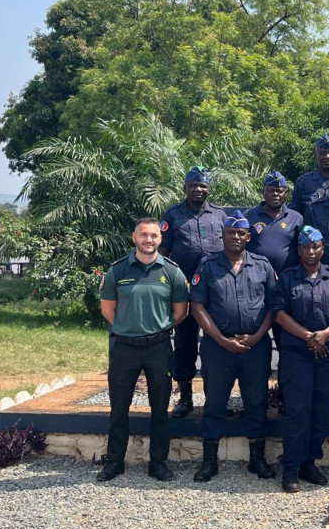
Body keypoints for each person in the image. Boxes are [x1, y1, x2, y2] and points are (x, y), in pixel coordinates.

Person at [97, 218, 190, 482]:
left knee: (159, 408)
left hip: (158, 348)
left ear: (160, 239)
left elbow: (180, 312)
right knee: (118, 408)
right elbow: (108, 310)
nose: (149, 240)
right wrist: (129, 328)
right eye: (144, 235)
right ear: (134, 237)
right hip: (124, 348)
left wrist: (156, 329)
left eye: (154, 236)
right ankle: (115, 461)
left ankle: (158, 463)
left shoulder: (172, 272)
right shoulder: (117, 270)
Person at [188, 211, 278, 482]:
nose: (236, 237)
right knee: (214, 402)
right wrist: (220, 339)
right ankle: (209, 461)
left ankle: (257, 460)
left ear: (248, 237)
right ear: (222, 236)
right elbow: (197, 306)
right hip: (218, 348)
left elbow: (274, 306)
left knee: (256, 402)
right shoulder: (207, 266)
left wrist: (258, 335)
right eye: (231, 233)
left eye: (241, 233)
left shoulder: (263, 265)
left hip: (255, 347)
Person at [272, 226, 329, 492]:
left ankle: (310, 462)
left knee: (320, 409)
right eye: (306, 247)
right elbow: (279, 313)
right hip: (297, 353)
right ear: (299, 250)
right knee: (297, 410)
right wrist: (309, 336)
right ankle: (291, 467)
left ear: (322, 249)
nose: (311, 252)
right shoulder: (288, 277)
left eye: (316, 246)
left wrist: (326, 333)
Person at [159, 166, 226, 418]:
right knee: (185, 342)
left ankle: (216, 398)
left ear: (208, 188)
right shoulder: (173, 215)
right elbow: (163, 254)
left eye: (203, 186)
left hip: (215, 289)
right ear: (185, 188)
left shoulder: (219, 215)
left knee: (216, 341)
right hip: (184, 288)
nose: (198, 190)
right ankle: (185, 397)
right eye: (193, 186)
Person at [245, 171, 303, 273]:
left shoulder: (296, 218)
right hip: (255, 276)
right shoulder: (249, 215)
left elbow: (302, 248)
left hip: (287, 277)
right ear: (263, 192)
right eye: (270, 190)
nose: (275, 194)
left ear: (286, 193)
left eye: (279, 191)